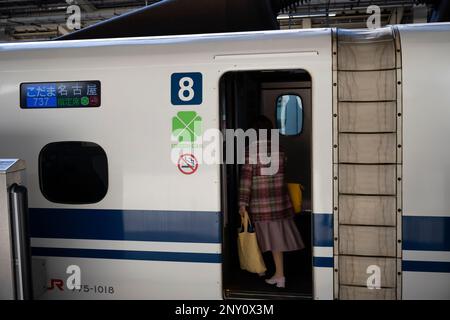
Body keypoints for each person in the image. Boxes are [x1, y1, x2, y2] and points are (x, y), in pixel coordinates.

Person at [238, 115, 304, 288]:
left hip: (260, 204)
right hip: (279, 203)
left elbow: (246, 180)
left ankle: (260, 270)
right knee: (276, 241)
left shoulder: (249, 151)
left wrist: (242, 204)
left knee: (256, 238)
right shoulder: (280, 149)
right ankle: (280, 276)